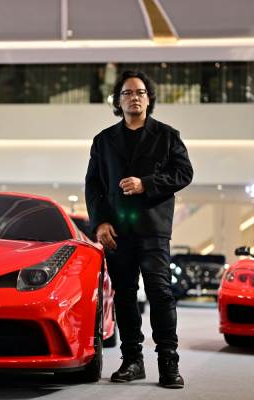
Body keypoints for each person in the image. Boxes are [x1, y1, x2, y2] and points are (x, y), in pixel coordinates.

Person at [85, 70, 193, 389]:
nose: (134, 97)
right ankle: (132, 360)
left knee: (160, 292)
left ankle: (168, 362)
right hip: (117, 230)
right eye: (128, 93)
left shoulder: (167, 135)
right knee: (124, 295)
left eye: (140, 92)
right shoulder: (103, 140)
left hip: (153, 228)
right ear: (118, 101)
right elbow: (93, 186)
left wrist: (146, 184)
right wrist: (100, 222)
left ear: (149, 99)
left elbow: (184, 173)